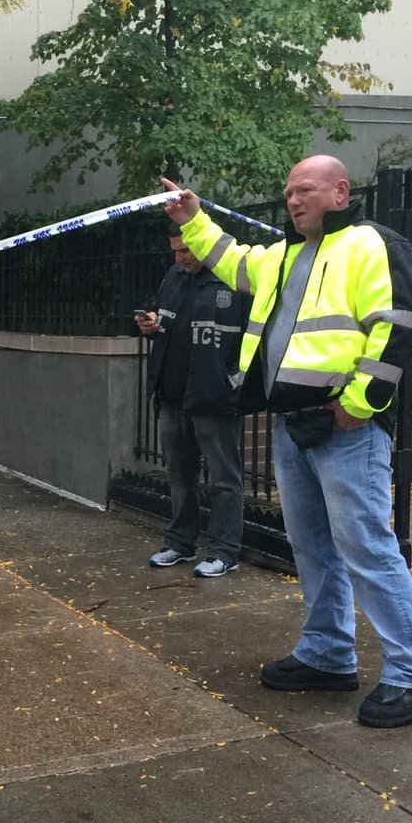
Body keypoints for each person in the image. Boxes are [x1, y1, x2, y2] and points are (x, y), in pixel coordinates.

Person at [162, 156, 412, 728]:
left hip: (346, 430)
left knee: (365, 547)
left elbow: (399, 326)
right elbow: (231, 261)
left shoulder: (374, 245)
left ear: (340, 191)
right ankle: (327, 654)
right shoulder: (284, 255)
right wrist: (193, 219)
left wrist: (355, 407)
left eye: (305, 191)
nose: (293, 201)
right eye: (289, 192)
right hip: (294, 426)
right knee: (313, 548)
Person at [137, 223, 251, 578]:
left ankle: (224, 550)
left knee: (223, 479)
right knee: (179, 476)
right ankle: (180, 543)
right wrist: (153, 324)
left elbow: (254, 334)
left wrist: (235, 380)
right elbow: (171, 322)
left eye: (185, 251)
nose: (179, 258)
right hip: (172, 395)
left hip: (215, 396)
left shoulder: (234, 278)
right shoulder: (174, 276)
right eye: (175, 251)